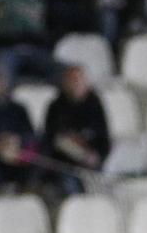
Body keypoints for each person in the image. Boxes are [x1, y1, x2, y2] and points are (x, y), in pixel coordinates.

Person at [40, 64, 110, 198]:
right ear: (65, 83)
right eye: (72, 80)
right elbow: (51, 139)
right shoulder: (55, 107)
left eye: (79, 79)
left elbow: (103, 138)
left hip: (91, 162)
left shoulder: (95, 105)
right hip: (64, 165)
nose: (76, 83)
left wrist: (97, 156)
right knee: (70, 188)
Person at [0, 0, 62, 86]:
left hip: (35, 47)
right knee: (2, 75)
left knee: (64, 73)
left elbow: (42, 17)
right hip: (6, 48)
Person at [0, 69, 37, 192]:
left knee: (36, 156)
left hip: (16, 153)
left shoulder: (18, 109)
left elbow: (30, 134)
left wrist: (15, 139)